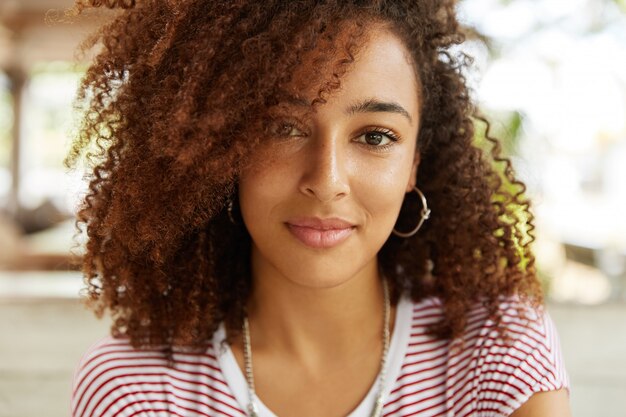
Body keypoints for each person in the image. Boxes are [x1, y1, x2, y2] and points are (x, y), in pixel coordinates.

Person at [66, 0, 571, 416]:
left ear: (414, 163)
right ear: (223, 149)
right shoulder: (135, 390)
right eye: (282, 128)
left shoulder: (499, 355)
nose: (326, 182)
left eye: (375, 136)